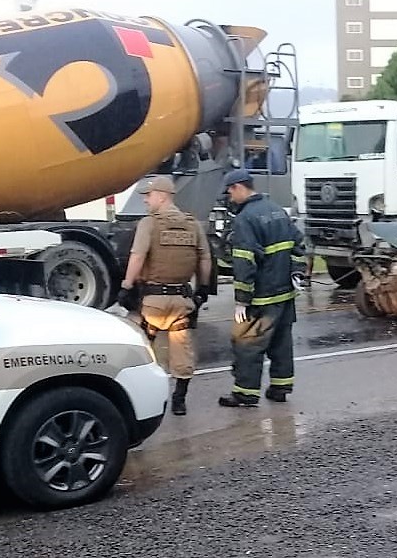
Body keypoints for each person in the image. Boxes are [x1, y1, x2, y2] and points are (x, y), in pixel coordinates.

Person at [119, 176, 212, 416]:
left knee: (140, 348)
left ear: (162, 196)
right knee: (182, 351)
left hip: (152, 303)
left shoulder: (149, 224)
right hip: (182, 301)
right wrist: (201, 288)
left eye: (148, 196)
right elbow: (205, 259)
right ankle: (179, 400)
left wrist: (127, 286)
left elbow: (138, 256)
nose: (146, 201)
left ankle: (144, 401)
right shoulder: (193, 224)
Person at [219, 168, 305, 407]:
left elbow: (244, 261)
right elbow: (299, 245)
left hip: (261, 298)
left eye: (230, 193)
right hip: (285, 295)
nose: (230, 198)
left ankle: (245, 393)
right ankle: (280, 388)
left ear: (238, 187)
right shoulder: (277, 210)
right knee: (281, 344)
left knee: (247, 343)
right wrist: (296, 272)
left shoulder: (246, 218)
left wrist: (241, 300)